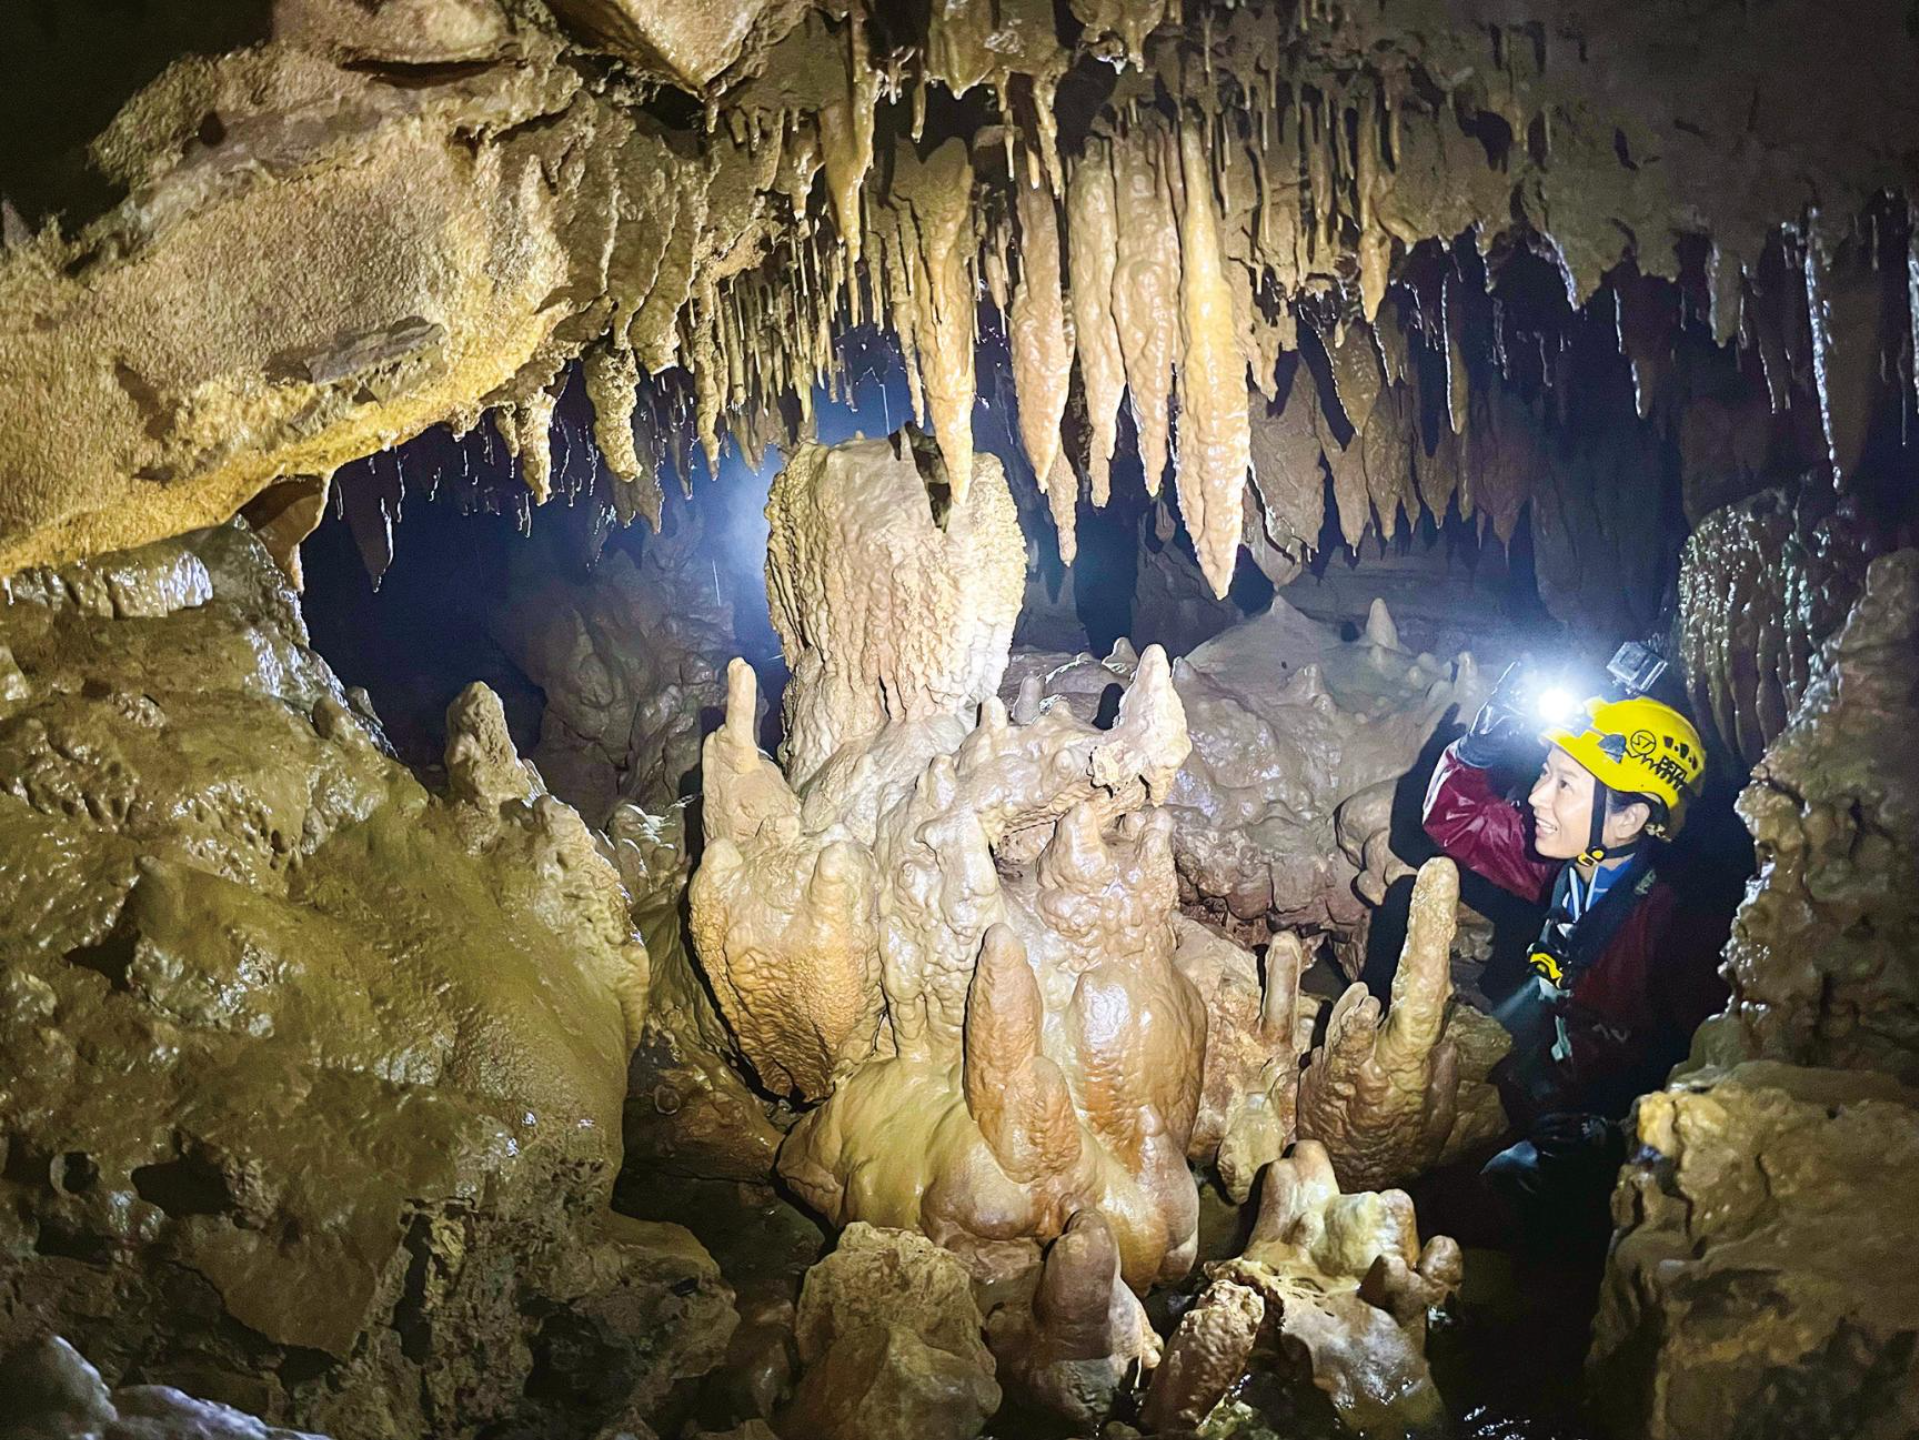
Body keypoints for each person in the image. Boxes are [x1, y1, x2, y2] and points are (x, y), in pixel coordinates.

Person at [1422, 687, 1730, 1254]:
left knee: (1494, 1195)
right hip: (1559, 1092)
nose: (1537, 795)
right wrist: (1474, 750)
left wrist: (1617, 1134)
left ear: (1629, 818)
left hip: (1624, 1135)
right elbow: (1455, 820)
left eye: (1565, 784)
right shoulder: (1565, 871)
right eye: (1546, 773)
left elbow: (1718, 1074)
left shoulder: (1681, 927)